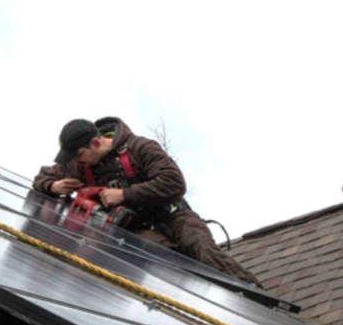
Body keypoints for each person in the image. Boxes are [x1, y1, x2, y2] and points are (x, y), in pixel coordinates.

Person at [34, 117, 262, 287]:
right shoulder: (79, 165)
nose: (76, 162)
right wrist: (52, 186)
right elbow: (43, 176)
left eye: (79, 155)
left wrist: (125, 195)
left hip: (175, 216)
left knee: (202, 251)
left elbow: (174, 183)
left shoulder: (139, 147)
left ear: (95, 143)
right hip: (141, 231)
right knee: (167, 265)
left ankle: (260, 302)